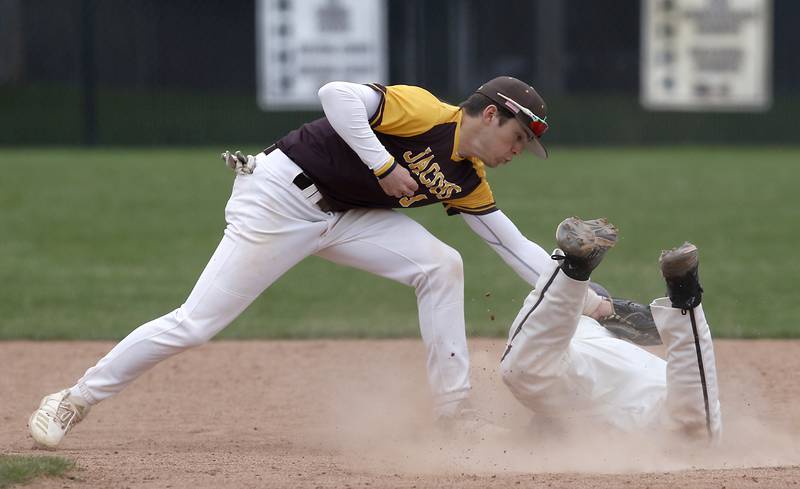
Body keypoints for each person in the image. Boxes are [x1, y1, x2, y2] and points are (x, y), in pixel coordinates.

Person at [28, 77, 616, 448]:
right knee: (197, 322)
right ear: (490, 114)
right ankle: (74, 398)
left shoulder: (468, 177)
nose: (518, 152)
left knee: (442, 265)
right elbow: (336, 96)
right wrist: (385, 168)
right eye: (517, 138)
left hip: (347, 217)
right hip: (281, 198)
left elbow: (513, 244)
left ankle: (453, 413)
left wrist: (586, 300)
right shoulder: (424, 112)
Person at [500, 217, 722, 442]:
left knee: (524, 372)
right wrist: (599, 305)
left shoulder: (587, 333)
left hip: (638, 401)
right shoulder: (583, 334)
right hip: (629, 408)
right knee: (695, 433)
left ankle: (575, 269)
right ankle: (685, 297)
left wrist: (591, 299)